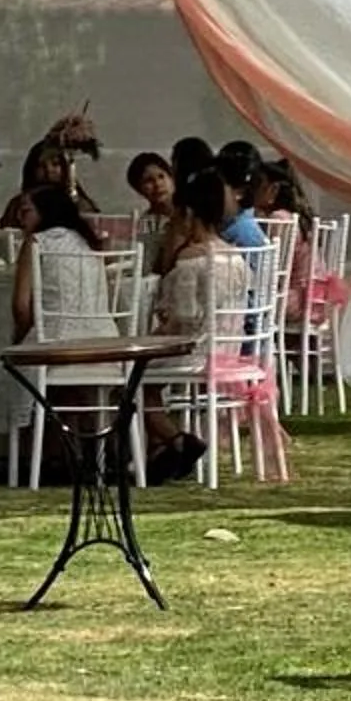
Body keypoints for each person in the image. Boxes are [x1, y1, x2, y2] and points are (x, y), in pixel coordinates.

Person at [141, 168, 240, 484]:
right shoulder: (236, 255)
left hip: (194, 350)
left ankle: (176, 440)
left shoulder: (192, 260)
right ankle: (166, 451)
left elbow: (182, 319)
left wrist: (149, 338)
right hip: (226, 347)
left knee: (132, 382)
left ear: (189, 214)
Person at [11, 181, 111, 341]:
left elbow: (21, 307)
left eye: (25, 211)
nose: (19, 218)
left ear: (45, 211)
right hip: (104, 338)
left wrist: (20, 338)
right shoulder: (87, 240)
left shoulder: (37, 242)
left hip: (55, 340)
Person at [124, 150, 178, 272]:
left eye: (161, 176)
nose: (157, 184)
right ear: (139, 189)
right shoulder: (144, 224)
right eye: (148, 180)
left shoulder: (190, 215)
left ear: (172, 178)